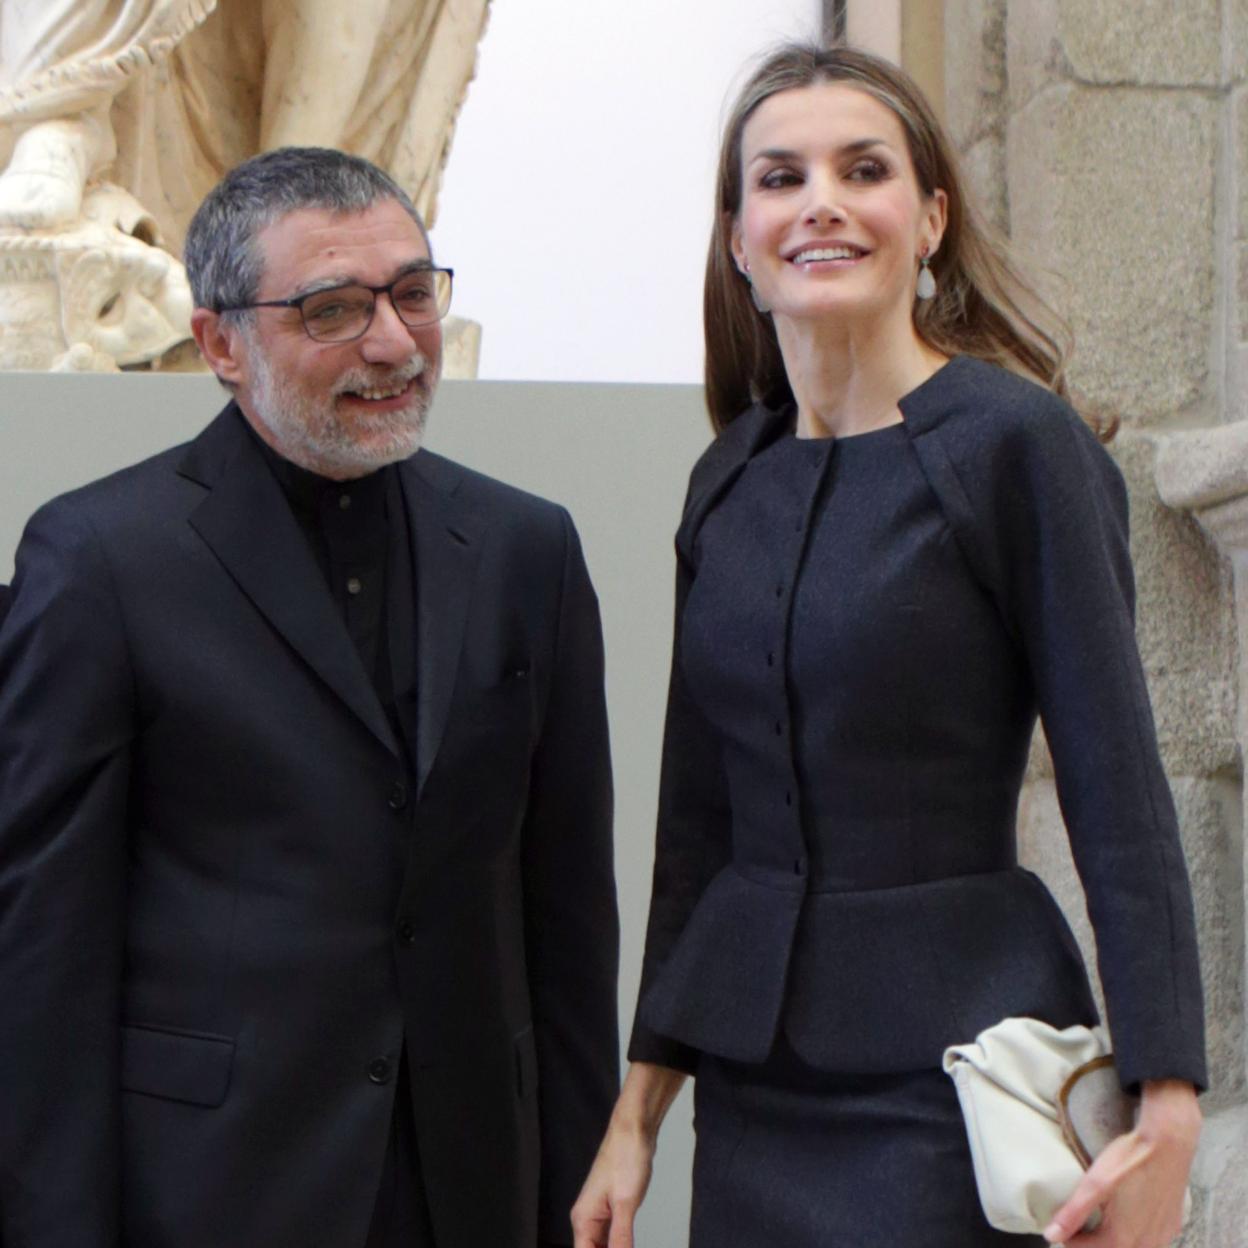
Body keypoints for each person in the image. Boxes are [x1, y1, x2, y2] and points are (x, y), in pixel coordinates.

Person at [572, 42, 1203, 1248]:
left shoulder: (1019, 447)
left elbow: (1120, 795)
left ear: (931, 223)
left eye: (863, 170)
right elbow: (698, 829)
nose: (821, 201)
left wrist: (1166, 1104)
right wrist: (636, 1113)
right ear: (739, 239)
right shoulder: (726, 480)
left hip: (955, 1076)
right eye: (781, 177)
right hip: (755, 1086)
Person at [0, 146, 619, 1248]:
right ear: (219, 344)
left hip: (473, 1186)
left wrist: (581, 1202)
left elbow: (568, 919)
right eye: (332, 309)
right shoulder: (98, 560)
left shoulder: (528, 547)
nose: (393, 343)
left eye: (413, 293)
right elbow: (44, 957)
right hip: (212, 1193)